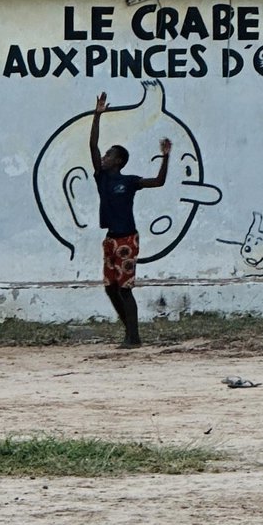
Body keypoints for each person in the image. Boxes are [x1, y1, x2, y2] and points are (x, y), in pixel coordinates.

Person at [89, 91, 171, 348]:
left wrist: (166, 157)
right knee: (110, 288)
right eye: (105, 155)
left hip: (127, 239)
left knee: (124, 289)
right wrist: (97, 115)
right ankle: (130, 332)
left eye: (109, 155)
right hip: (111, 239)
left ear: (119, 161)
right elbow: (93, 146)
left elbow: (158, 182)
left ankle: (133, 337)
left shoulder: (129, 181)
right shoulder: (102, 178)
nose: (104, 158)